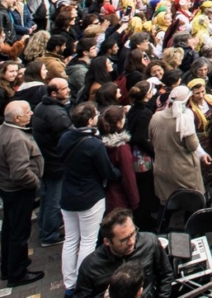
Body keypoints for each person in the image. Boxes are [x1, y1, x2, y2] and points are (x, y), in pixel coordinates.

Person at [58, 101, 121, 292]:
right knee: (88, 240)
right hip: (90, 197)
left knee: (70, 240)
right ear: (89, 119)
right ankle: (83, 282)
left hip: (68, 195)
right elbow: (107, 171)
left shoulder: (65, 138)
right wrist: (118, 172)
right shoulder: (94, 145)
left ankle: (70, 283)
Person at [0, 100, 45, 286]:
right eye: (28, 112)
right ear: (16, 117)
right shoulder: (16, 139)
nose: (31, 114)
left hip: (6, 188)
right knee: (19, 233)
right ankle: (17, 273)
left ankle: (8, 266)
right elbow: (20, 172)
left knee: (10, 228)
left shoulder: (2, 130)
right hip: (18, 191)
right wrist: (36, 183)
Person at [72, 207, 174, 298]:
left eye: (133, 233)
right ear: (107, 241)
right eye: (124, 240)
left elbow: (166, 275)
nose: (132, 242)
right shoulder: (90, 266)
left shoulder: (149, 242)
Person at [149, 85, 210, 201]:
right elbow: (192, 146)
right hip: (184, 170)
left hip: (162, 167)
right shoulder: (185, 119)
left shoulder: (156, 117)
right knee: (192, 203)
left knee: (167, 204)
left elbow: (151, 139)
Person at [32, 77, 72, 247]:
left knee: (47, 196)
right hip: (55, 162)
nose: (68, 90)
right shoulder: (56, 114)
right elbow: (67, 139)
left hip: (47, 160)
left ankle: (44, 226)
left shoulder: (43, 107)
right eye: (64, 88)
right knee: (54, 200)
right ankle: (49, 234)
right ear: (54, 93)